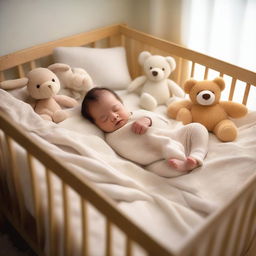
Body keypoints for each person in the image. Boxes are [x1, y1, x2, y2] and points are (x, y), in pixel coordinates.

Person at [81, 87, 209, 172]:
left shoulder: (138, 114)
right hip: (157, 157)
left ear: (122, 104)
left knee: (197, 128)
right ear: (96, 124)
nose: (114, 116)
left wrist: (147, 120)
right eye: (104, 118)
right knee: (157, 170)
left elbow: (163, 122)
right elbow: (131, 153)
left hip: (175, 136)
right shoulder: (112, 138)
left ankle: (196, 155)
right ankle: (184, 164)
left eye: (116, 109)